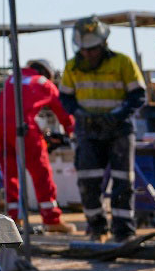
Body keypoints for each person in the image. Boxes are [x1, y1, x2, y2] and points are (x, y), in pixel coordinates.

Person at [60, 15, 146, 241]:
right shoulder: (72, 67)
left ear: (103, 44)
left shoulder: (123, 63)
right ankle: (97, 228)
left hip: (119, 130)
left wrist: (117, 115)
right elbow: (66, 98)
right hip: (88, 131)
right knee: (88, 181)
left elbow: (138, 95)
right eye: (84, 49)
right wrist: (80, 114)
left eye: (92, 49)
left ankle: (123, 232)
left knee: (122, 181)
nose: (88, 54)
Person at [0, 58, 75, 233]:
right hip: (24, 130)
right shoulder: (43, 83)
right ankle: (51, 219)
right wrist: (71, 130)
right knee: (41, 173)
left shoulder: (12, 78)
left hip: (1, 129)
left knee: (10, 175)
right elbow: (62, 110)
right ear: (47, 73)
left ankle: (13, 220)